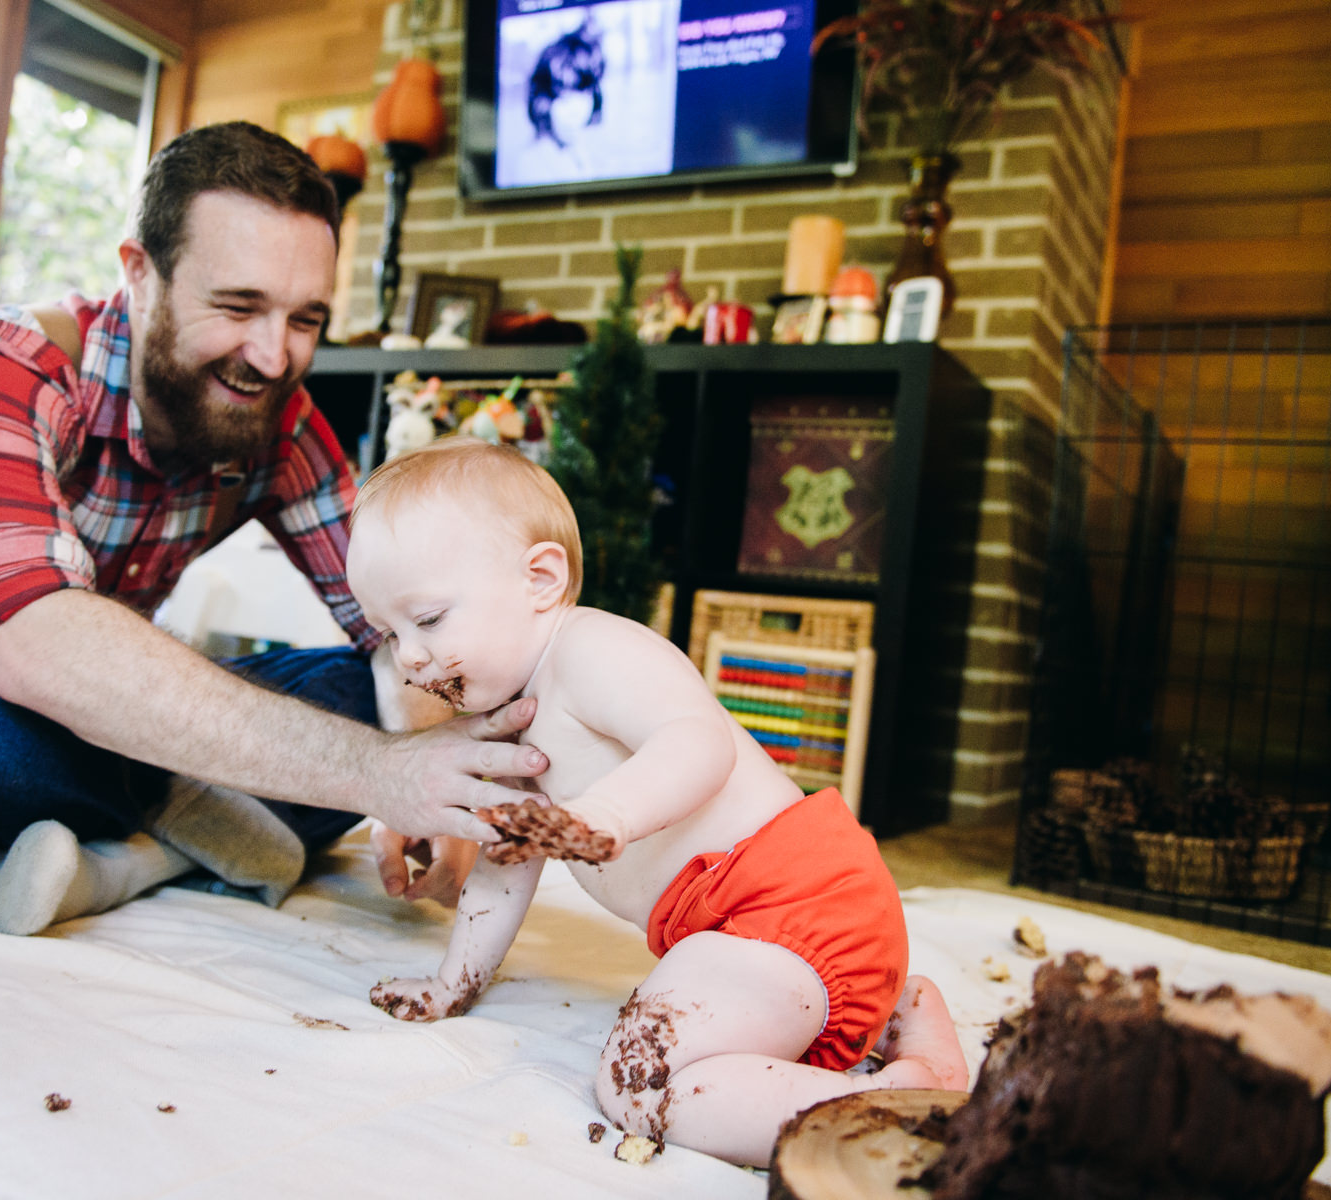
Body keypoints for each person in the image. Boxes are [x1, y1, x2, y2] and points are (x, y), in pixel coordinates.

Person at [0, 122, 542, 937]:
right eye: (238, 306)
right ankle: (181, 816)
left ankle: (124, 861)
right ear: (139, 274)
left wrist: (428, 759)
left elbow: (397, 625)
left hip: (90, 701)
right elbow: (41, 650)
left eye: (305, 319)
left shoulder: (278, 420)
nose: (272, 356)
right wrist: (378, 774)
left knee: (372, 689)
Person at [346, 437, 967, 1168]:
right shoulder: (514, 710)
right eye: (390, 635)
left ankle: (890, 1112)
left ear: (541, 580)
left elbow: (700, 744)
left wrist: (605, 813)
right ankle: (905, 1020)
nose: (410, 658)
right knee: (676, 1045)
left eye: (429, 619)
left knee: (639, 1080)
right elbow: (504, 867)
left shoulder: (591, 650)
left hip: (792, 911)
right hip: (754, 940)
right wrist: (454, 983)